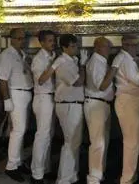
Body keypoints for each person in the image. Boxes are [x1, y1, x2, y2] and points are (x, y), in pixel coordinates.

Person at [0, 28, 34, 181]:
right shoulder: (7, 55)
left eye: (23, 38)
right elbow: (2, 80)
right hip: (15, 93)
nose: (22, 41)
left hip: (25, 92)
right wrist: (7, 100)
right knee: (17, 130)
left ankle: (17, 161)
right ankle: (11, 166)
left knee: (22, 130)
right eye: (18, 38)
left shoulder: (22, 54)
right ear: (11, 39)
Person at [112, 34, 139, 184]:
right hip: (128, 104)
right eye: (135, 45)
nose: (137, 48)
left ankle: (129, 176)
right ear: (126, 45)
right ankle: (127, 178)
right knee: (131, 142)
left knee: (132, 141)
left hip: (130, 103)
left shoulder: (126, 59)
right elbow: (138, 80)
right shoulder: (125, 60)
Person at [51, 34, 86, 184]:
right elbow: (78, 82)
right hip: (68, 104)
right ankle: (64, 179)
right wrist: (83, 66)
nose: (75, 48)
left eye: (76, 45)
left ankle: (71, 175)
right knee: (70, 142)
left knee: (74, 142)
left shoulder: (72, 60)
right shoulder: (63, 62)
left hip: (74, 103)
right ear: (64, 48)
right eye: (72, 46)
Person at [84, 37, 116, 184]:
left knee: (103, 141)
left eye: (109, 47)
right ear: (97, 47)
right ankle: (93, 178)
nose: (109, 50)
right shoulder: (96, 62)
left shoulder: (101, 61)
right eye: (106, 47)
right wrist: (113, 70)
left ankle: (99, 174)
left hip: (102, 104)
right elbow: (101, 86)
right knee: (98, 142)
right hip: (96, 104)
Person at [31, 30, 58, 184]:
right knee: (42, 136)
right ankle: (36, 174)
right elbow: (41, 79)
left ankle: (44, 169)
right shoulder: (39, 59)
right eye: (49, 41)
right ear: (41, 42)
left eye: (53, 40)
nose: (52, 43)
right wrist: (54, 65)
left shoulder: (52, 56)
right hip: (43, 98)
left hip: (51, 97)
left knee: (49, 135)